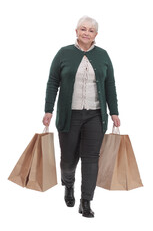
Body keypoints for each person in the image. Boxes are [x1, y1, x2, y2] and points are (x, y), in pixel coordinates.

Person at [42, 15, 120, 218]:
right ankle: (69, 185)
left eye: (91, 30)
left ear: (96, 35)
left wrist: (114, 112)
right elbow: (53, 82)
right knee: (68, 159)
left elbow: (109, 85)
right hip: (69, 115)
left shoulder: (103, 55)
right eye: (83, 29)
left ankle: (86, 201)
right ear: (76, 31)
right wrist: (48, 109)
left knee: (91, 159)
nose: (86, 33)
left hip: (95, 116)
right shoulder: (63, 53)